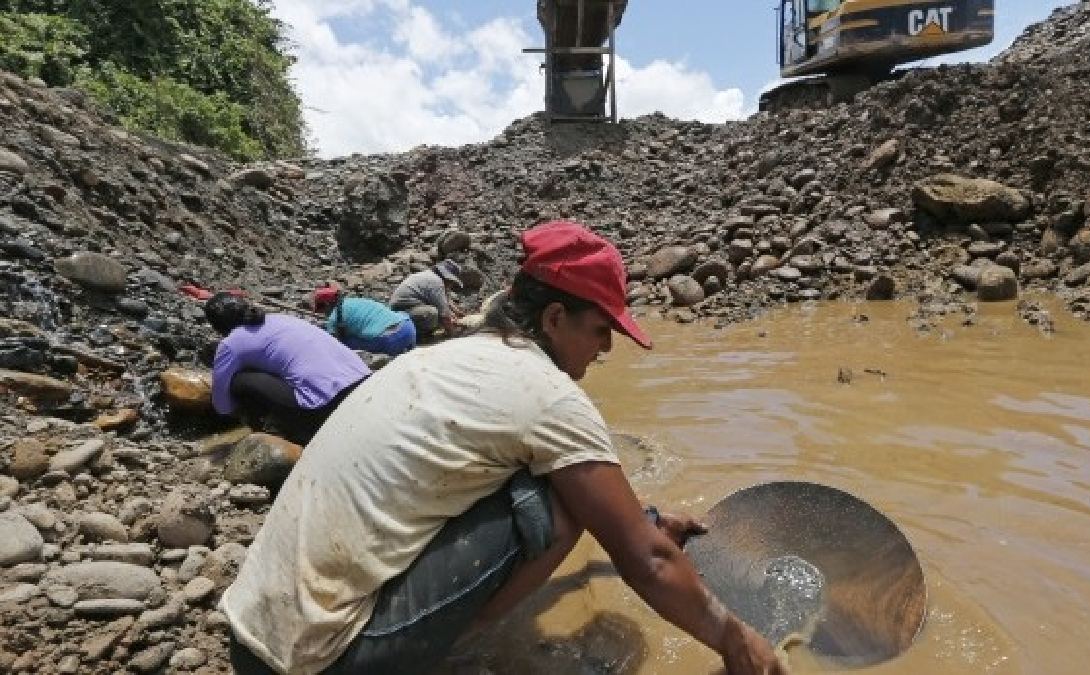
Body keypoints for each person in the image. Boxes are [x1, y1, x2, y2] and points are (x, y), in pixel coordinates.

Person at [222, 221, 786, 675]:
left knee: (534, 479)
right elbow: (650, 561)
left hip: (252, 634)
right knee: (559, 499)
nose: (606, 346)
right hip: (323, 660)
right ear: (555, 317)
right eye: (600, 329)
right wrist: (738, 644)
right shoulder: (548, 395)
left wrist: (647, 517)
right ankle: (451, 654)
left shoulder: (441, 358)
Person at [204, 292, 371, 444]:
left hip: (326, 405)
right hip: (366, 387)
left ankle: (273, 435)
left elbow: (222, 406)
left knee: (239, 381)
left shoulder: (231, 344)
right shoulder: (280, 319)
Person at [309, 284, 417, 356]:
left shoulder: (333, 318)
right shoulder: (354, 300)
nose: (323, 313)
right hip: (408, 328)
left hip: (391, 341)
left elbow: (333, 344)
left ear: (327, 304)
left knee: (345, 342)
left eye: (321, 309)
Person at [388, 259, 463, 341]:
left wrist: (458, 314)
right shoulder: (436, 282)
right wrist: (453, 334)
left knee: (441, 317)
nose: (451, 285)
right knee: (432, 313)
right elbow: (444, 314)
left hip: (405, 311)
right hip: (400, 314)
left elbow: (446, 302)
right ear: (447, 278)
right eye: (452, 282)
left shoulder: (431, 276)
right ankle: (415, 337)